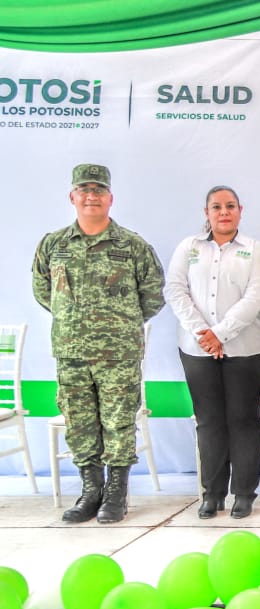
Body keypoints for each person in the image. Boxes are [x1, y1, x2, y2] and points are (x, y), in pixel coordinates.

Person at [31, 163, 165, 524]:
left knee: (119, 421)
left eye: (99, 190)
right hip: (71, 350)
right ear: (72, 197)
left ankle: (116, 495)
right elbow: (43, 291)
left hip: (118, 352)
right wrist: (76, 322)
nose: (92, 196)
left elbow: (152, 296)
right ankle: (91, 492)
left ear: (110, 198)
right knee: (80, 422)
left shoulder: (133, 245)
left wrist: (116, 325)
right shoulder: (53, 244)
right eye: (84, 190)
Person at [163, 186, 260, 520]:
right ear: (206, 212)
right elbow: (175, 289)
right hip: (196, 349)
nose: (223, 212)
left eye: (230, 206)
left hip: (246, 348)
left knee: (243, 420)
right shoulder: (189, 247)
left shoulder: (253, 250)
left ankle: (243, 493)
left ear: (240, 210)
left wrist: (220, 334)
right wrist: (203, 334)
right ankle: (212, 493)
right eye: (216, 207)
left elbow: (256, 296)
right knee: (209, 421)